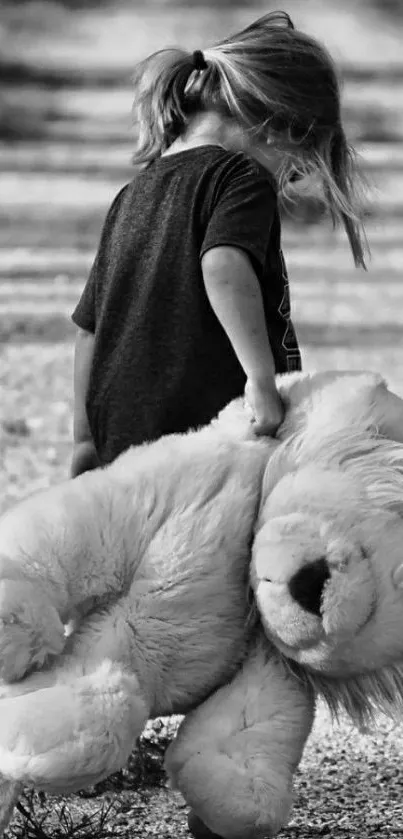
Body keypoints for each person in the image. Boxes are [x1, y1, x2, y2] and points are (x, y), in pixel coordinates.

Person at [70, 10, 367, 479]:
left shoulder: (133, 193)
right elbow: (224, 265)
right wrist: (261, 379)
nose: (290, 178)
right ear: (276, 126)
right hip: (207, 432)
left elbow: (90, 329)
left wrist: (85, 439)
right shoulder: (241, 176)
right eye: (296, 166)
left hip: (121, 439)